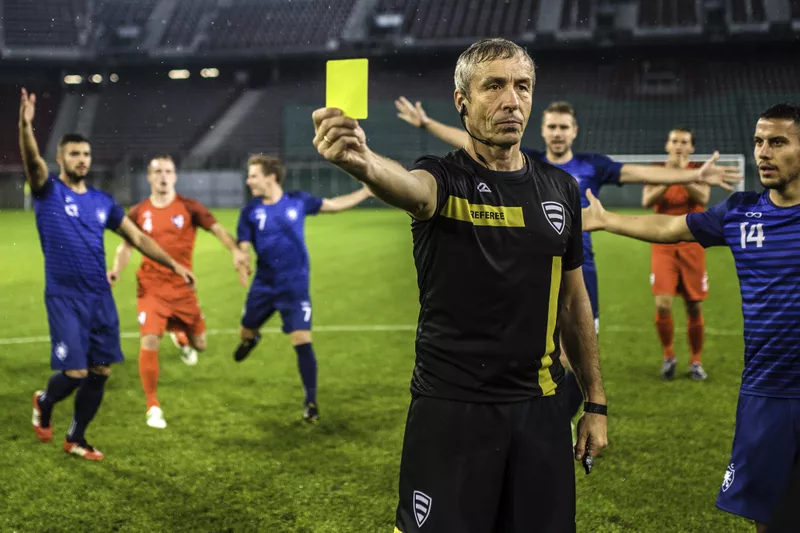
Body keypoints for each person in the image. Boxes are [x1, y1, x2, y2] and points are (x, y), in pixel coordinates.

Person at [315, 38, 607, 533]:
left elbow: (574, 300)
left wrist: (595, 403)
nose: (511, 100)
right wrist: (362, 162)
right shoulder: (443, 178)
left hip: (539, 410)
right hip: (451, 413)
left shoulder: (561, 189)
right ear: (462, 101)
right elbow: (413, 191)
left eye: (522, 86)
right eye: (493, 85)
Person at [395, 96, 740, 423]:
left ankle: (556, 419)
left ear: (574, 131)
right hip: (534, 270)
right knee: (535, 352)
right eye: (552, 127)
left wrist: (693, 175)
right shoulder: (527, 161)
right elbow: (466, 138)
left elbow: (639, 173)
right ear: (543, 131)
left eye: (564, 127)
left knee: (574, 356)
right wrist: (426, 124)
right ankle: (538, 420)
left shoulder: (593, 165)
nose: (558, 133)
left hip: (579, 270)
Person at [582, 102, 800, 533]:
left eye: (777, 142)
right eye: (758, 142)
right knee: (770, 518)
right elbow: (670, 228)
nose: (763, 152)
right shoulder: (741, 213)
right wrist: (607, 220)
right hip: (766, 393)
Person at [20, 89, 193, 461]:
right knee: (76, 374)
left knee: (100, 371)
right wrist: (25, 124)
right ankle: (44, 401)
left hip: (99, 296)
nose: (81, 160)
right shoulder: (47, 191)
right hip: (65, 297)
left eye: (85, 154)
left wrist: (173, 264)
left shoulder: (102, 202)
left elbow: (138, 238)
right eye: (74, 154)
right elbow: (32, 160)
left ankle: (76, 438)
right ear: (60, 158)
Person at [108, 154, 249, 429]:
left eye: (168, 171)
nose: (163, 176)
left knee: (201, 345)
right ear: (149, 177)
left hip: (184, 288)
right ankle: (152, 405)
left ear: (175, 176)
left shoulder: (189, 207)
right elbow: (126, 246)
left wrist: (235, 251)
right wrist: (116, 270)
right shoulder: (138, 212)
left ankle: (182, 337)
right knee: (149, 340)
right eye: (157, 171)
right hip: (150, 287)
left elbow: (217, 229)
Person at [233, 154, 373, 424]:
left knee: (302, 340)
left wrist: (364, 192)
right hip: (263, 285)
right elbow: (243, 245)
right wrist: (241, 260)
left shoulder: (298, 201)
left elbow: (333, 205)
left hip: (295, 287)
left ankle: (311, 402)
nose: (249, 181)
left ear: (270, 176)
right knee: (246, 330)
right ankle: (252, 338)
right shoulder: (250, 211)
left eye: (253, 175)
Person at [641, 128, 710, 380]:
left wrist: (684, 174)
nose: (679, 146)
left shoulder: (699, 170)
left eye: (684, 142)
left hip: (692, 244)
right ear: (667, 145)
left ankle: (695, 361)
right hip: (662, 244)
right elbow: (647, 201)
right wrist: (670, 175)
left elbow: (703, 196)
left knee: (693, 306)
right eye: (674, 141)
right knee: (662, 304)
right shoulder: (655, 171)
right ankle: (669, 355)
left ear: (691, 148)